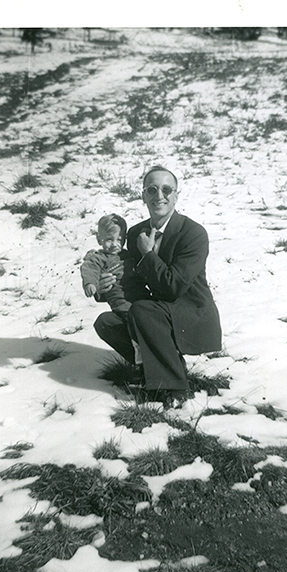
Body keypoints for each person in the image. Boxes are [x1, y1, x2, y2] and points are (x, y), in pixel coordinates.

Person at [94, 166, 222, 405]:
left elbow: (174, 287)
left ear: (176, 195)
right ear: (143, 196)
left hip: (191, 314)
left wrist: (148, 255)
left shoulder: (193, 233)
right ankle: (158, 369)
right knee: (106, 323)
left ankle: (176, 389)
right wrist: (105, 286)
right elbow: (129, 279)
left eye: (166, 189)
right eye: (152, 190)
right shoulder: (135, 233)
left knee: (142, 310)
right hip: (154, 313)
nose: (159, 196)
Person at [80, 214, 135, 321]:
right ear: (99, 239)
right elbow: (89, 269)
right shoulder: (98, 258)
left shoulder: (127, 254)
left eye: (119, 240)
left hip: (139, 295)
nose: (115, 244)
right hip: (121, 302)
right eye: (109, 239)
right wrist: (90, 283)